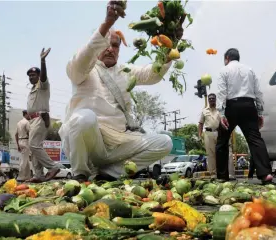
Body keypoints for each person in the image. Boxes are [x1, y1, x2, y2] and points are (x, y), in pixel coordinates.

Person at [58, 1, 184, 182]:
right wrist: (107, 23)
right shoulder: (84, 68)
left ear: (120, 49)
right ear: (98, 44)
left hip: (119, 143)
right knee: (84, 118)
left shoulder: (125, 71)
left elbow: (152, 75)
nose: (110, 49)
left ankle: (110, 173)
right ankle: (80, 174)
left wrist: (171, 44)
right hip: (89, 142)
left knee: (164, 142)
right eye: (106, 44)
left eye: (115, 45)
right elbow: (80, 61)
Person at [216, 48, 273, 183]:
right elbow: (258, 92)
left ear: (227, 58)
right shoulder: (250, 70)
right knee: (255, 139)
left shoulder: (224, 70)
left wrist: (221, 113)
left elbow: (222, 93)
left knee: (222, 142)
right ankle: (265, 174)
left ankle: (222, 177)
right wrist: (260, 112)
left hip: (231, 106)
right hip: (249, 105)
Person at [26, 48, 62, 183]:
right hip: (33, 120)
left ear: (39, 76)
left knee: (33, 144)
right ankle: (39, 175)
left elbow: (44, 77)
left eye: (34, 75)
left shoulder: (42, 85)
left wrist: (42, 61)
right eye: (29, 76)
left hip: (40, 118)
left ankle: (53, 167)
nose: (31, 77)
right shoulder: (32, 89)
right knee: (34, 147)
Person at [198, 93, 236, 179]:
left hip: (221, 133)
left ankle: (230, 173)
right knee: (210, 154)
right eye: (210, 99)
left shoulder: (221, 109)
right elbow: (200, 124)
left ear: (216, 99)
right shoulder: (204, 111)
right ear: (208, 100)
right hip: (208, 134)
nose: (211, 100)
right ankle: (213, 174)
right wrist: (200, 136)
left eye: (213, 98)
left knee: (228, 152)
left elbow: (227, 121)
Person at [15, 110, 31, 182]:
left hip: (20, 141)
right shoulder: (27, 122)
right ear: (26, 114)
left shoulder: (18, 123)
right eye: (29, 114)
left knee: (26, 159)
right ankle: (20, 176)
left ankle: (27, 176)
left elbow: (16, 134)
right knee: (24, 160)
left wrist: (18, 145)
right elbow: (29, 132)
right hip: (25, 141)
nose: (29, 116)